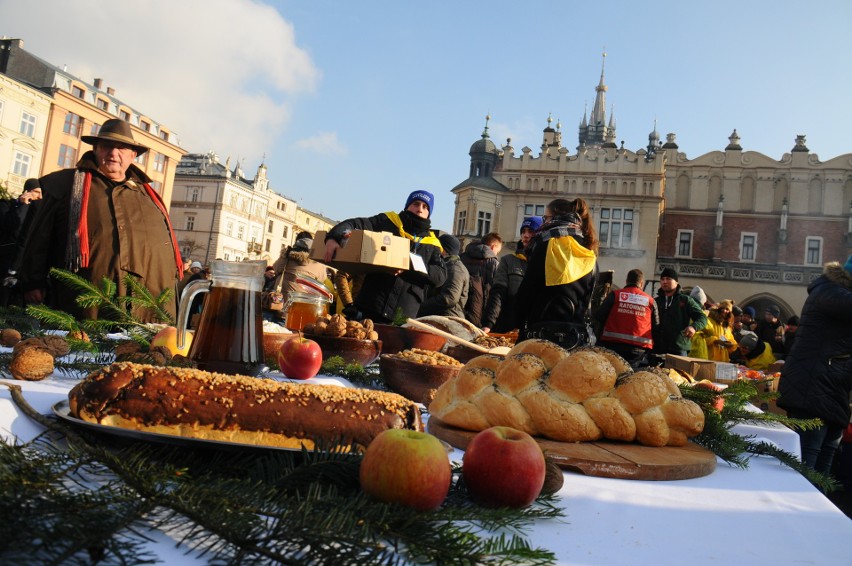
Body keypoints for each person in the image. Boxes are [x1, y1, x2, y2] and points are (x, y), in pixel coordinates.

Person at [17, 119, 182, 321]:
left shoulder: (149, 197)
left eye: (121, 148)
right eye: (107, 146)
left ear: (133, 155)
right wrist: (33, 282)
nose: (114, 153)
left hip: (146, 308)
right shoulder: (63, 184)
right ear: (95, 149)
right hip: (86, 304)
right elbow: (38, 238)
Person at [323, 190, 447, 323]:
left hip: (403, 318)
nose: (419, 209)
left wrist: (408, 264)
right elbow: (354, 224)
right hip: (370, 307)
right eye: (416, 204)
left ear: (429, 213)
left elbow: (440, 276)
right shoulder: (387, 221)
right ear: (407, 206)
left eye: (425, 207)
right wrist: (333, 237)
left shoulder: (433, 243)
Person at [779, 255, 852, 475]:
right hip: (812, 391)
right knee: (805, 471)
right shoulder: (828, 291)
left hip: (834, 392)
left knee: (822, 474)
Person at [514, 198, 598, 350]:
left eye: (545, 218)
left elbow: (527, 292)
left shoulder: (547, 244)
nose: (543, 223)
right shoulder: (589, 251)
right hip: (575, 338)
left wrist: (506, 324)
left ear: (555, 218)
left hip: (542, 334)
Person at [481, 216, 541, 334]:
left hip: (535, 329)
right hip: (509, 326)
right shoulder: (508, 260)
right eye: (523, 231)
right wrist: (488, 323)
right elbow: (498, 294)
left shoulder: (545, 262)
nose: (525, 235)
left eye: (531, 231)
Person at [594, 268, 659, 369]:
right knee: (629, 376)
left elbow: (600, 316)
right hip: (637, 350)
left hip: (612, 345)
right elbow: (656, 327)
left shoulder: (615, 295)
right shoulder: (650, 301)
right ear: (641, 283)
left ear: (627, 281)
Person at [1, 178, 43, 306]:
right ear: (27, 192)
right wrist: (24, 206)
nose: (40, 197)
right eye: (37, 192)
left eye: (42, 194)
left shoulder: (39, 213)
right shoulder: (6, 206)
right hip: (4, 265)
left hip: (23, 270)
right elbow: (16, 229)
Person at [269, 232, 329, 319]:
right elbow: (322, 279)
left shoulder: (287, 256)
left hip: (280, 306)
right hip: (303, 310)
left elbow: (276, 268)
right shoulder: (318, 262)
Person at [651, 268, 707, 356]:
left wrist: (693, 327)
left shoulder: (685, 300)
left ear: (676, 282)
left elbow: (702, 317)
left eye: (668, 279)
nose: (664, 282)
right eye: (662, 279)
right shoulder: (655, 301)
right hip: (657, 348)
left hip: (679, 348)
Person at [418, 234, 468, 318]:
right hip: (439, 316)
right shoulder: (446, 265)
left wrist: (422, 306)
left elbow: (450, 297)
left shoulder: (455, 269)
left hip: (447, 319)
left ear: (444, 249)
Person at [460, 231, 503, 327]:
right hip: (480, 313)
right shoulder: (494, 263)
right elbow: (494, 291)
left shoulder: (462, 257)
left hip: (460, 309)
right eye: (497, 251)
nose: (496, 254)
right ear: (493, 247)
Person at [688, 286, 710, 359]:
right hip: (697, 352)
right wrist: (704, 315)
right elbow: (710, 330)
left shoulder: (686, 308)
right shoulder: (701, 314)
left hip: (689, 350)